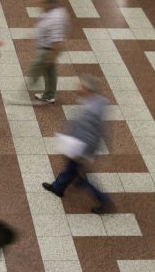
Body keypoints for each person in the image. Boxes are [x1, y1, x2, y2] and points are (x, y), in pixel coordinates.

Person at [42, 75, 113, 214]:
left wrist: (80, 153)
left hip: (80, 149)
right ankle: (58, 187)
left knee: (81, 176)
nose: (78, 88)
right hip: (82, 147)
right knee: (71, 170)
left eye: (81, 87)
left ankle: (104, 201)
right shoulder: (97, 102)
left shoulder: (90, 110)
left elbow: (88, 135)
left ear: (88, 90)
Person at [29, 0, 69, 104]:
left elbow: (56, 40)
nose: (39, 6)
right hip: (47, 46)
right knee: (50, 71)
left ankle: (22, 93)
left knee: (35, 69)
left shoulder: (55, 18)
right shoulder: (55, 13)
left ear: (49, 5)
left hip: (49, 48)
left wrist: (52, 56)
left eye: (42, 4)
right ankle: (49, 95)